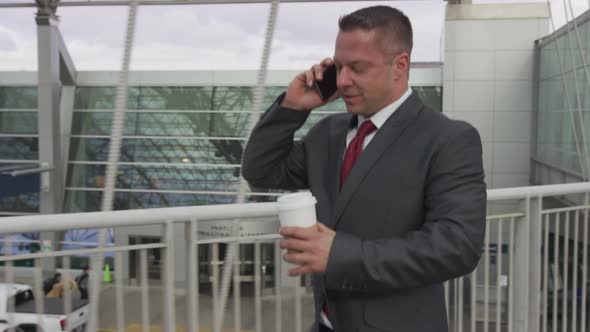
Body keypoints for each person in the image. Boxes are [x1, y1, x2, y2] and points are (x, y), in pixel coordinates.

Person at [241, 5, 486, 332]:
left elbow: (457, 246)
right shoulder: (326, 134)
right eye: (339, 67)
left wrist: (339, 254)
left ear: (400, 65)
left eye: (357, 68)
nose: (342, 81)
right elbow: (260, 170)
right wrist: (292, 106)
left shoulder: (449, 139)